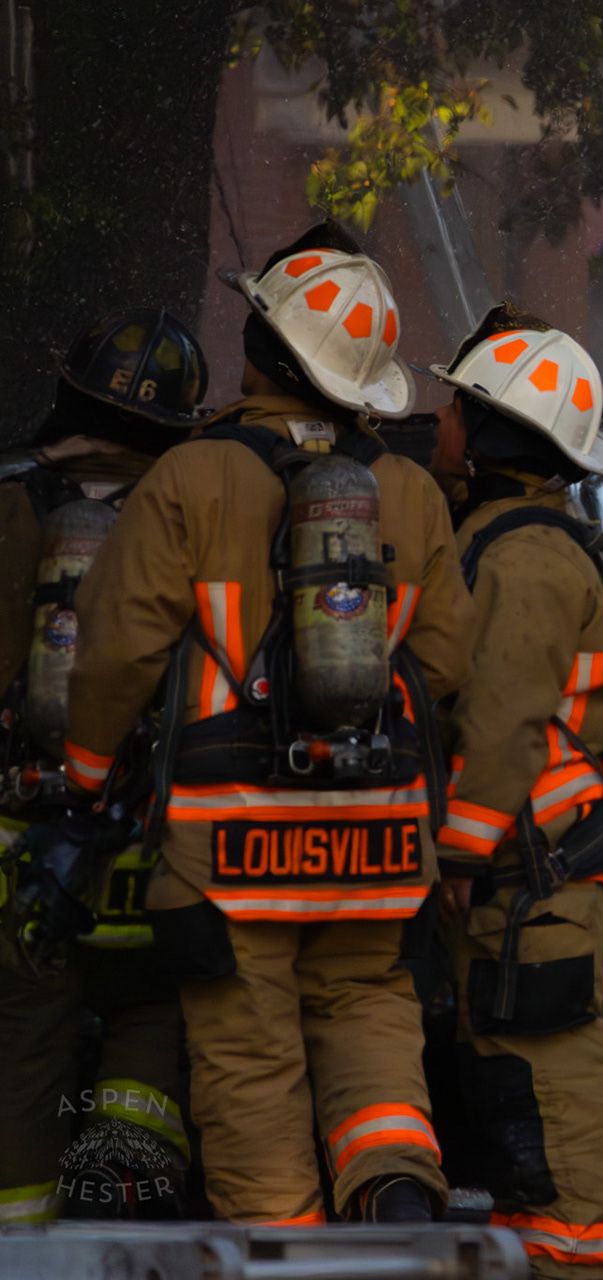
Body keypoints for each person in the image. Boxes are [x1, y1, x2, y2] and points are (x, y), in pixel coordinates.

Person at [61, 222, 473, 1225]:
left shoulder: (192, 478)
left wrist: (82, 774)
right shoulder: (411, 493)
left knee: (250, 1060)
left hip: (228, 846)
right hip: (377, 840)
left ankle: (285, 1242)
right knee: (372, 1017)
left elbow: (116, 648)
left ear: (262, 350)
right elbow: (450, 659)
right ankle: (396, 1189)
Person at [427, 304, 603, 1277]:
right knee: (517, 1086)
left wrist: (459, 852)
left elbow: (504, 723)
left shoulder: (525, 558)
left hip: (529, 879)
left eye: (459, 409)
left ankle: (577, 1263)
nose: (441, 426)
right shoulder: (512, 540)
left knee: (551, 1080)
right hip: (529, 876)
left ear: (499, 429)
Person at [0, 309, 209, 1223]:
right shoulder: (194, 512)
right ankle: (120, 1212)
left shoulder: (9, 500)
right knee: (151, 1020)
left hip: (22, 848)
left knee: (25, 1036)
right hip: (147, 849)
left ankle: (19, 1228)